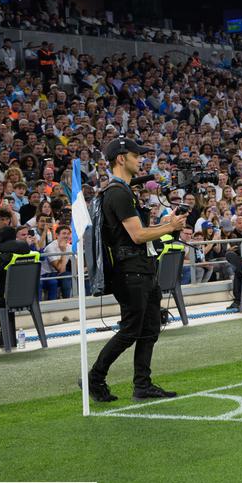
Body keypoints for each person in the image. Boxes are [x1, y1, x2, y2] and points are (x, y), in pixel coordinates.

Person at [86, 137, 187, 403]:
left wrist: (165, 223)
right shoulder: (118, 193)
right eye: (136, 155)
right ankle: (94, 379)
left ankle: (142, 384)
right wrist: (171, 226)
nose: (140, 159)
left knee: (151, 326)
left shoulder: (123, 191)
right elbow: (137, 235)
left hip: (140, 267)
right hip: (130, 270)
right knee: (131, 329)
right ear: (121, 158)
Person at [41, 224, 73, 300]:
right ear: (57, 235)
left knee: (82, 276)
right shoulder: (50, 247)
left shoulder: (69, 246)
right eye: (64, 233)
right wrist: (64, 251)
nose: (66, 236)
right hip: (47, 274)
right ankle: (67, 300)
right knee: (66, 275)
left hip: (59, 273)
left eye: (68, 234)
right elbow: (61, 270)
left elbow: (76, 267)